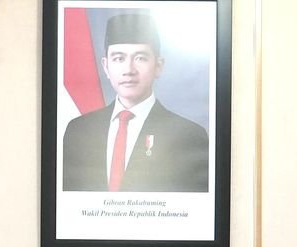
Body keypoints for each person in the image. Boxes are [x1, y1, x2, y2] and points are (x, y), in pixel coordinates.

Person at [60, 11, 209, 194]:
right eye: (119, 58)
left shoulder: (189, 136)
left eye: (140, 58)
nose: (129, 70)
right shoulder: (78, 131)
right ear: (106, 66)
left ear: (158, 66)